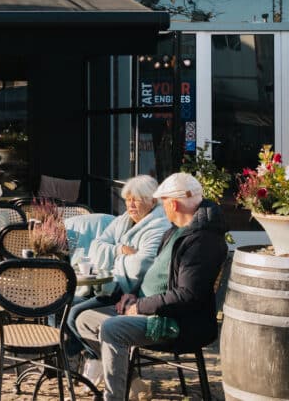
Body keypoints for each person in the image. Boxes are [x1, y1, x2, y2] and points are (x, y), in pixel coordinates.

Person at [74, 172, 227, 401]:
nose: (162, 208)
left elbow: (188, 295)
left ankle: (113, 397)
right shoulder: (175, 231)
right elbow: (154, 275)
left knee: (111, 329)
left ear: (173, 204)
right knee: (83, 319)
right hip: (150, 308)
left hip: (176, 322)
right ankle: (128, 380)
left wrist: (141, 306)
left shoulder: (202, 241)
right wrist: (131, 295)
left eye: (163, 203)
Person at [64, 175, 171, 355]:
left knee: (73, 313)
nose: (130, 205)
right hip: (108, 287)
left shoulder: (159, 225)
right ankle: (65, 361)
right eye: (128, 200)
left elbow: (140, 266)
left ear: (152, 201)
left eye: (135, 200)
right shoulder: (123, 220)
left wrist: (110, 258)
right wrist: (119, 250)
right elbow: (95, 247)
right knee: (60, 304)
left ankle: (94, 358)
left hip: (129, 293)